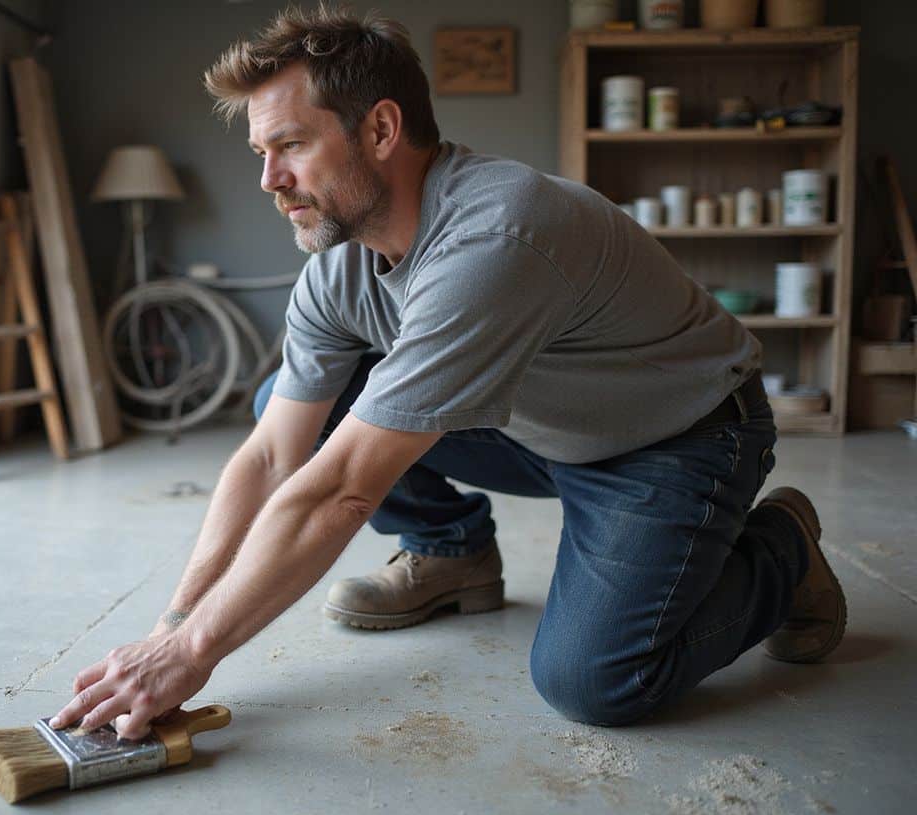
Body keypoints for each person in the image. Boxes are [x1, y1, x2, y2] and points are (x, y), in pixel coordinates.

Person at [50, 5, 845, 738]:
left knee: (599, 682)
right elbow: (269, 456)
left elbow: (343, 488)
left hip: (678, 438)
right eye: (261, 152)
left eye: (290, 145)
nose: (268, 180)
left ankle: (782, 548)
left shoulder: (495, 236)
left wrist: (193, 656)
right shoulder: (339, 265)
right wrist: (173, 625)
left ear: (383, 129)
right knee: (289, 404)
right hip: (537, 423)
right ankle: (453, 550)